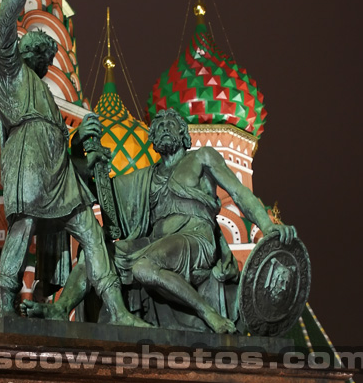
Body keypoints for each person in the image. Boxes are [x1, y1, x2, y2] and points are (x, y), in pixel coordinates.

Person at [24, 107, 297, 333]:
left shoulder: (202, 158)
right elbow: (98, 194)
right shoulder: (147, 177)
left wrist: (268, 225)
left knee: (144, 267)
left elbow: (239, 193)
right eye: (158, 125)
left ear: (184, 134)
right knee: (95, 253)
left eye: (170, 124)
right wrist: (79, 150)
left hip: (195, 239)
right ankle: (60, 308)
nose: (164, 128)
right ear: (152, 139)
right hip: (156, 242)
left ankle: (208, 313)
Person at [0, 0, 144, 327]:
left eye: (48, 51)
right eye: (41, 48)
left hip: (58, 168)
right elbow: (6, 19)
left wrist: (83, 140)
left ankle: (119, 311)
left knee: (90, 232)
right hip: (27, 159)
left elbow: (65, 141)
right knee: (23, 227)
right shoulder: (9, 73)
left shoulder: (43, 91)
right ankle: (6, 303)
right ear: (27, 51)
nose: (47, 55)